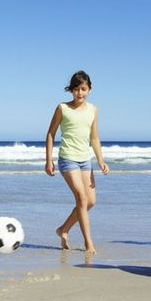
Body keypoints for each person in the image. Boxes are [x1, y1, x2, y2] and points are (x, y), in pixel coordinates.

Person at [45, 71, 110, 255]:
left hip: (85, 160)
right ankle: (89, 243)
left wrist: (100, 160)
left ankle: (63, 229)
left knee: (90, 202)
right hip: (67, 159)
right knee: (81, 199)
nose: (79, 93)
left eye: (83, 89)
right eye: (76, 89)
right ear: (71, 90)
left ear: (89, 89)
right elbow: (50, 134)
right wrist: (48, 160)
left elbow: (94, 137)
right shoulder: (62, 108)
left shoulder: (93, 110)